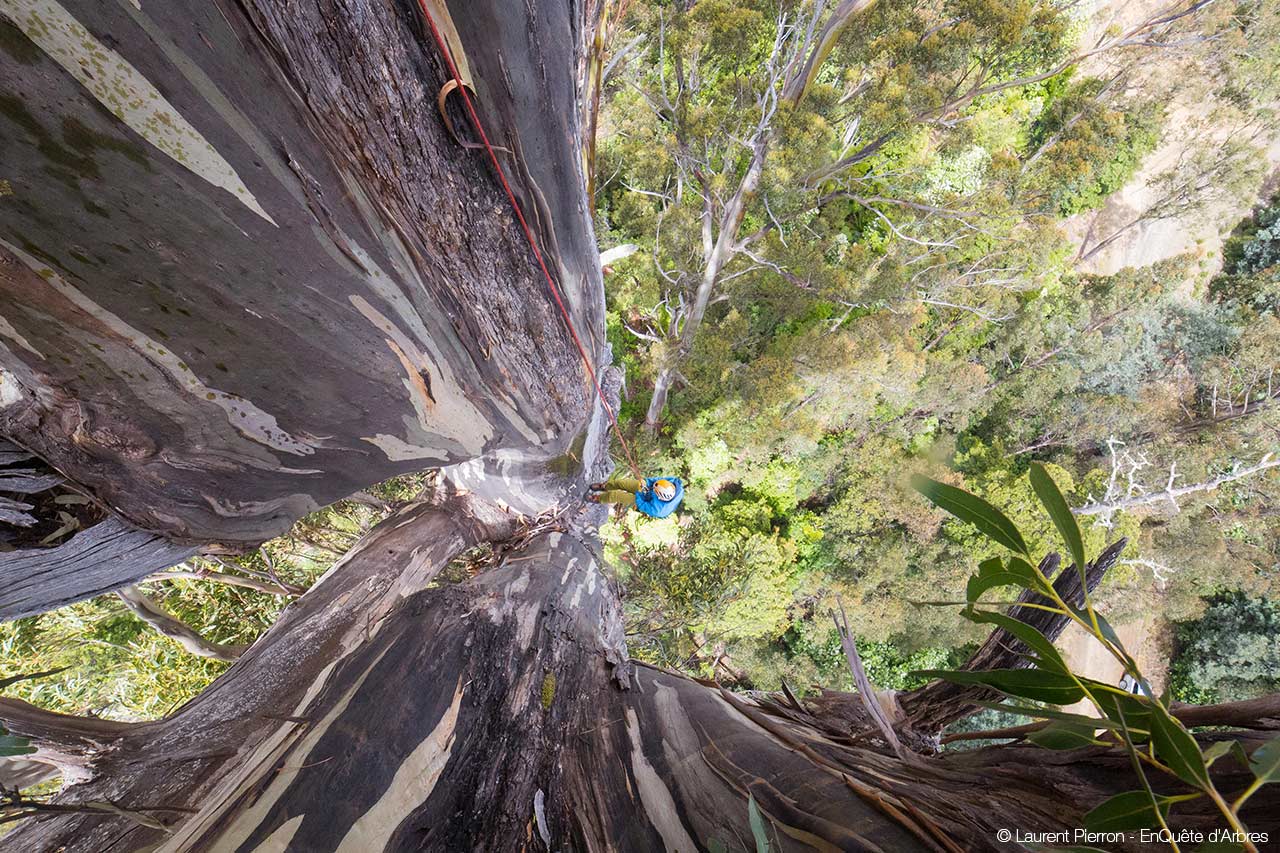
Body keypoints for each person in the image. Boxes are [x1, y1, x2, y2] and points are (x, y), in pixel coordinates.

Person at [587, 475, 684, 518]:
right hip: (648, 488)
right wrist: (646, 482)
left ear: (659, 497)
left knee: (616, 495)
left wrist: (639, 494)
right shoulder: (672, 482)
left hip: (644, 501)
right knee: (622, 483)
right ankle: (604, 486)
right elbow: (657, 480)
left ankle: (598, 499)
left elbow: (642, 505)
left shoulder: (658, 510)